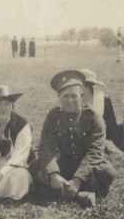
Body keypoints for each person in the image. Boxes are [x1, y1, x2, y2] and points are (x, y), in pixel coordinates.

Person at [36, 70, 116, 208]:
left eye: (74, 96)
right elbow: (45, 146)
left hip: (85, 167)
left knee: (107, 173)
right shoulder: (53, 116)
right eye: (65, 97)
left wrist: (77, 180)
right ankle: (79, 196)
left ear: (82, 96)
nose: (70, 101)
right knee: (35, 168)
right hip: (63, 166)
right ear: (59, 98)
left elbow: (94, 152)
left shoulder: (94, 118)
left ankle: (66, 190)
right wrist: (54, 174)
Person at [78, 69, 122, 149]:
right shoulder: (73, 100)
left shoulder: (103, 100)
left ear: (86, 85)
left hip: (101, 142)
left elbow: (111, 127)